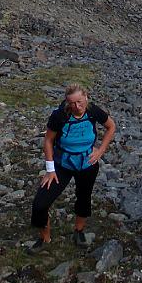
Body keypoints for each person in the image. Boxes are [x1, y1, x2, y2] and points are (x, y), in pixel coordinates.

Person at [29, 83, 116, 251]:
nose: (77, 107)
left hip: (87, 163)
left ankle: (79, 230)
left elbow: (111, 126)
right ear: (67, 102)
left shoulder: (92, 111)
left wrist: (100, 151)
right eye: (72, 103)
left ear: (86, 97)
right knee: (40, 204)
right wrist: (50, 169)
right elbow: (48, 141)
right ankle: (44, 238)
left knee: (84, 197)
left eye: (80, 102)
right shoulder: (59, 116)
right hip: (62, 164)